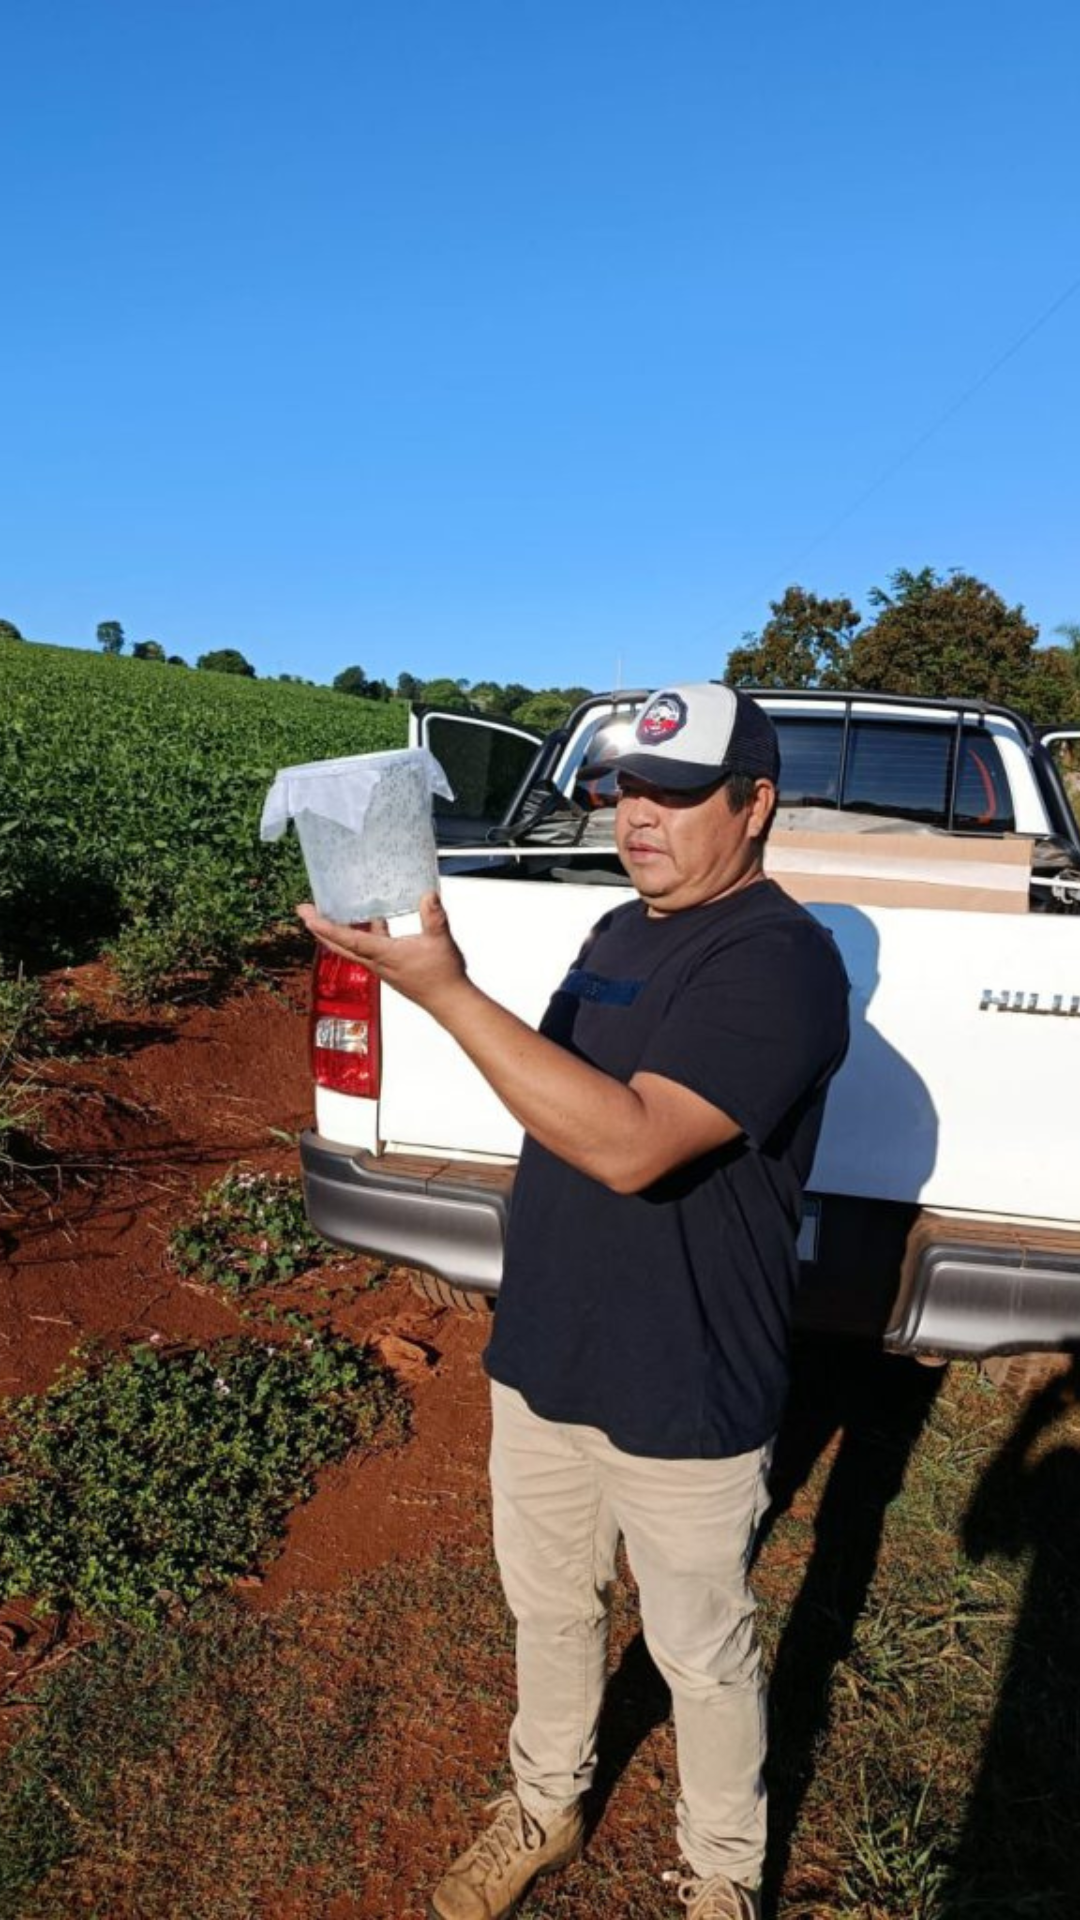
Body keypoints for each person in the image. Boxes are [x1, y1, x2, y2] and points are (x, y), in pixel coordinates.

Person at [299, 682, 850, 1920]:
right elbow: (555, 1100)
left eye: (677, 793)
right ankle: (545, 1804)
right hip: (548, 1343)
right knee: (548, 1608)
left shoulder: (778, 962)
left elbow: (634, 1145)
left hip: (685, 1372)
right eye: (627, 789)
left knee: (699, 1650)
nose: (639, 816)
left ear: (755, 804)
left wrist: (446, 991)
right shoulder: (616, 931)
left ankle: (723, 1872)